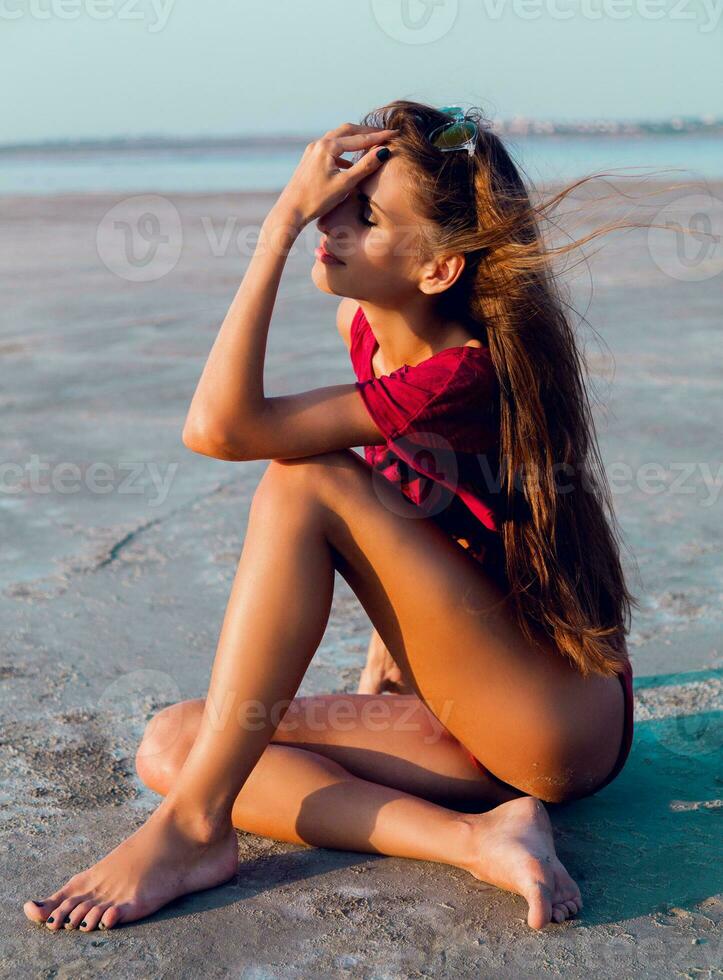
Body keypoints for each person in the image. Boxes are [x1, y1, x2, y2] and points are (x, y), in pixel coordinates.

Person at [24, 100, 638, 934]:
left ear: (437, 269)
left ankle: (195, 831)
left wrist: (276, 228)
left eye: (364, 214)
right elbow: (432, 501)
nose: (329, 221)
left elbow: (220, 429)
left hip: (549, 717)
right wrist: (395, 645)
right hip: (473, 714)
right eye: (332, 201)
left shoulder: (464, 373)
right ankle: (476, 837)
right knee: (175, 745)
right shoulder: (370, 330)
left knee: (300, 481)